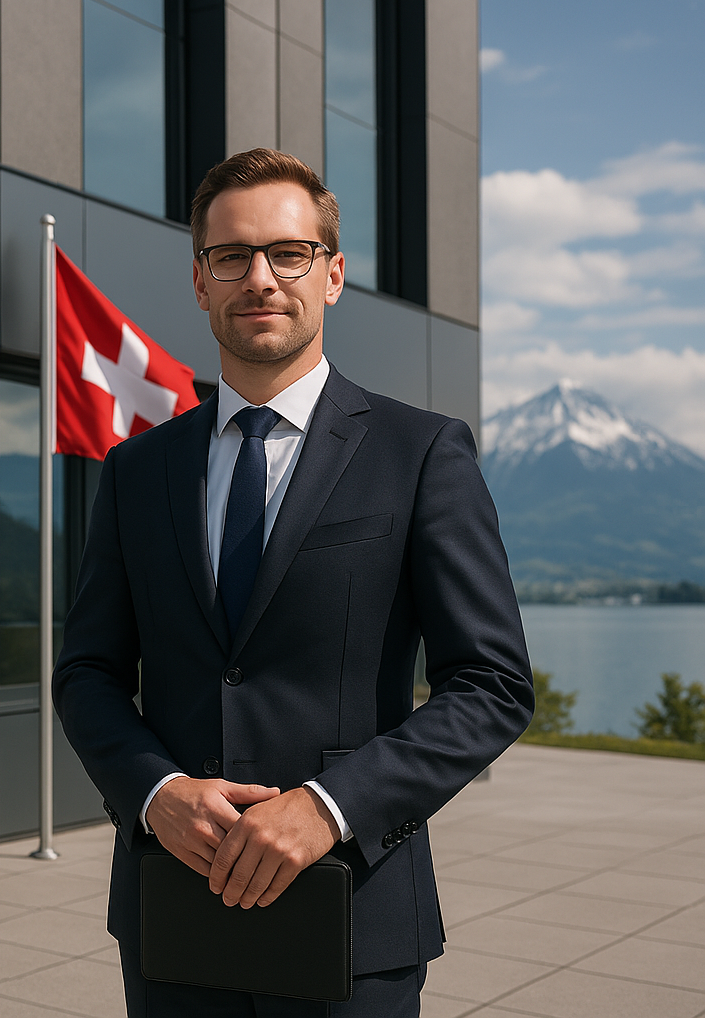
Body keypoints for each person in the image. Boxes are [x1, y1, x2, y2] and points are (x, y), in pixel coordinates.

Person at [52, 147, 534, 1017]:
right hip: (174, 916)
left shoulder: (422, 453)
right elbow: (86, 672)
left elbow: (492, 684)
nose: (260, 278)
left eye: (289, 253)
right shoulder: (136, 470)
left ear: (333, 275)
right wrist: (154, 792)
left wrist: (328, 807)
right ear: (199, 281)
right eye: (231, 256)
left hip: (353, 918)